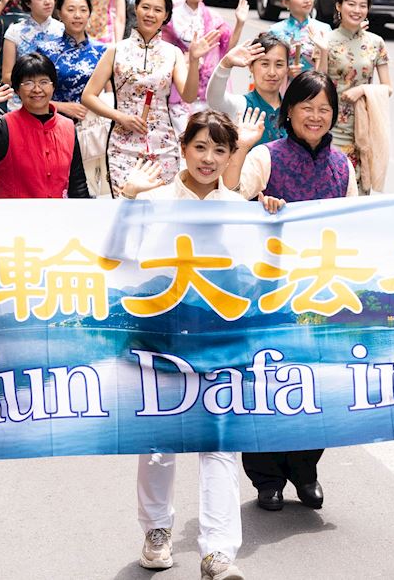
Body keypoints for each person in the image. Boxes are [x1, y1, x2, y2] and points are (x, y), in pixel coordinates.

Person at [116, 111, 256, 580]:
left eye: (220, 150)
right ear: (183, 148)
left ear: (231, 156)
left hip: (220, 342)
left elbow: (257, 272)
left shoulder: (239, 208)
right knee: (159, 443)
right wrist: (128, 199)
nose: (208, 158)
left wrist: (273, 216)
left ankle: (218, 552)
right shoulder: (152, 199)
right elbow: (114, 254)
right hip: (159, 338)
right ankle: (156, 531)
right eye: (200, 147)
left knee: (219, 446)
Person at [235, 71, 356, 511]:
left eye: (325, 109)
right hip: (266, 293)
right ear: (288, 111)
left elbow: (355, 225)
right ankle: (267, 478)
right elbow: (230, 204)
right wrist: (258, 205)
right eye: (307, 107)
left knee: (315, 384)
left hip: (319, 293)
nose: (316, 116)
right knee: (266, 382)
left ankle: (306, 470)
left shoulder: (343, 165)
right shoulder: (264, 158)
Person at [80, 0, 215, 193]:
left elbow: (188, 96)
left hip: (163, 145)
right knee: (125, 201)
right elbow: (88, 96)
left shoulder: (173, 53)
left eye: (158, 10)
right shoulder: (116, 50)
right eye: (145, 7)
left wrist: (195, 60)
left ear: (166, 15)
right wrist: (120, 117)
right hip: (122, 145)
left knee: (162, 205)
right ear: (135, 8)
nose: (150, 14)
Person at [0, 54, 91, 199]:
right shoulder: (3, 126)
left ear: (53, 86)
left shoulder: (68, 126)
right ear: (17, 89)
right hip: (13, 213)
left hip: (58, 213)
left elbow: (77, 183)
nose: (37, 89)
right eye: (28, 83)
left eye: (44, 82)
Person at [34, 0, 110, 195]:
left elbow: (110, 93)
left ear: (90, 13)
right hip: (56, 127)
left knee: (96, 187)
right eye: (71, 9)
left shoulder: (103, 50)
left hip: (95, 128)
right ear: (59, 13)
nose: (77, 15)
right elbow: (32, 94)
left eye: (83, 10)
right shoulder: (46, 50)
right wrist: (61, 107)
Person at [323, 0, 391, 194]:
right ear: (339, 6)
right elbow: (318, 82)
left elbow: (388, 87)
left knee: (360, 183)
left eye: (363, 5)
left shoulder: (376, 43)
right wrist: (322, 50)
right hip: (331, 122)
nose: (357, 10)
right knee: (331, 180)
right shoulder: (326, 40)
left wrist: (362, 90)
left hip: (364, 123)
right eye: (351, 4)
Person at [161, 0, 245, 130]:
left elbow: (227, 48)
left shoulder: (214, 18)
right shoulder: (172, 18)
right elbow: (165, 51)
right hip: (182, 87)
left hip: (208, 87)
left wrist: (240, 23)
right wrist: (185, 60)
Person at [207, 34, 288, 148]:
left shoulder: (292, 109)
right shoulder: (242, 105)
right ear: (251, 66)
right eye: (264, 64)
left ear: (287, 68)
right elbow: (214, 100)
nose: (272, 72)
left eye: (279, 65)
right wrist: (225, 64)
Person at [268, 0, 329, 76]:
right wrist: (286, 72)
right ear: (286, 2)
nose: (307, 0)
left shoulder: (324, 29)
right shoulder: (275, 31)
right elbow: (267, 66)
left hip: (315, 85)